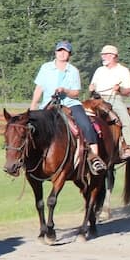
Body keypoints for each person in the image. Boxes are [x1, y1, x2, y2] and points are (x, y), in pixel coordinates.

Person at [30, 40, 106, 174]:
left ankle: (94, 157)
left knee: (86, 125)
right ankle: (30, 159)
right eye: (59, 51)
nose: (61, 54)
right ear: (55, 52)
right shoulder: (46, 67)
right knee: (32, 127)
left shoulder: (73, 71)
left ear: (69, 54)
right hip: (49, 104)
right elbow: (39, 88)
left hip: (70, 104)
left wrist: (64, 90)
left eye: (65, 51)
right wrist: (33, 106)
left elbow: (76, 92)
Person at [88, 44, 130, 160]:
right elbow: (93, 84)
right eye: (103, 55)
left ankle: (128, 147)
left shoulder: (123, 70)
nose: (103, 57)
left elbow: (128, 91)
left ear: (114, 56)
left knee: (126, 121)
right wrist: (91, 87)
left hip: (114, 99)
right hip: (97, 99)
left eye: (106, 55)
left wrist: (119, 89)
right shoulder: (99, 70)